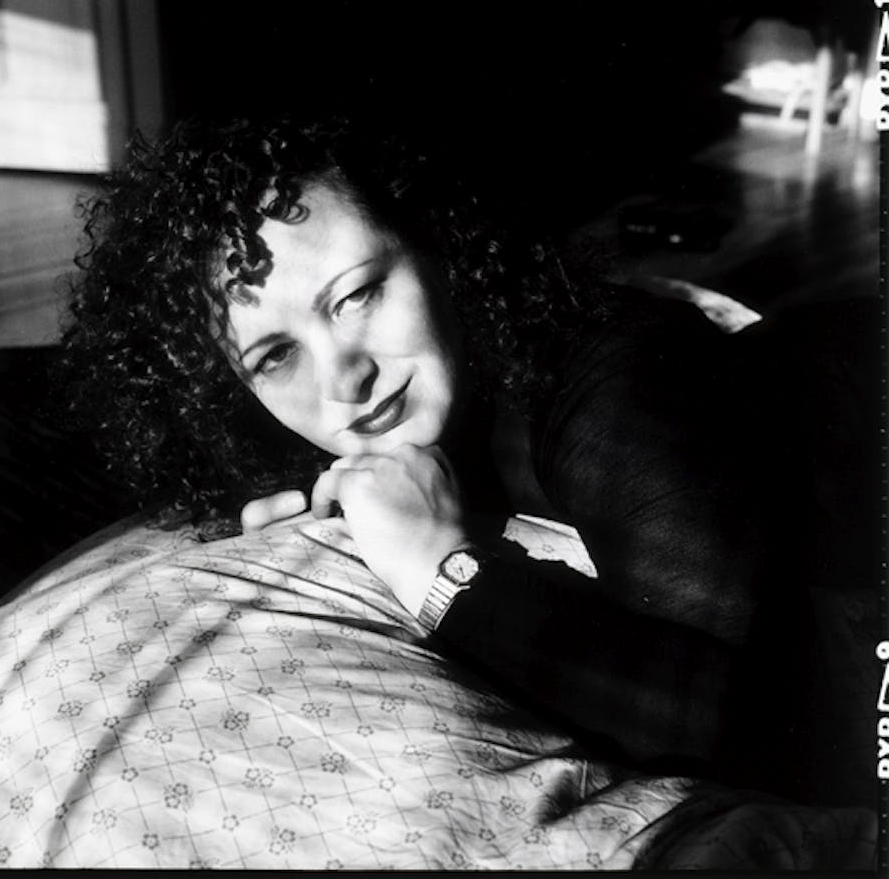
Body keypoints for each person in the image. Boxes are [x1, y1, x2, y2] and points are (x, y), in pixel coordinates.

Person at [58, 115, 875, 802]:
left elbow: (759, 723)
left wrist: (442, 570)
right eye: (275, 356)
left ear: (437, 248)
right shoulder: (364, 444)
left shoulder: (614, 377)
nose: (343, 378)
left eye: (357, 295)